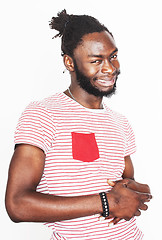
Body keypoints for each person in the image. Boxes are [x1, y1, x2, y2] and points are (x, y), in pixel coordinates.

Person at [5, 9, 152, 240]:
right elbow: (17, 204)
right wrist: (106, 201)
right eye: (96, 60)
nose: (110, 69)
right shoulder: (43, 114)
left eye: (113, 56)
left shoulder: (121, 123)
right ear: (69, 63)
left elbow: (125, 187)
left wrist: (138, 193)